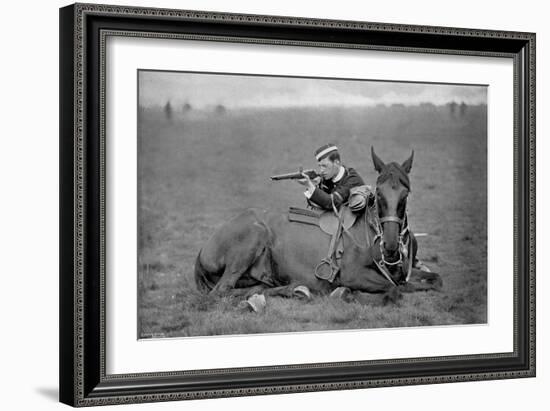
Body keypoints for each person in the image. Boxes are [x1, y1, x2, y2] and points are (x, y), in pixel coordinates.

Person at [297, 143, 366, 211]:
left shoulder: (352, 180)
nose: (321, 171)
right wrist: (317, 184)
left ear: (336, 162)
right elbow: (316, 203)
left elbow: (331, 203)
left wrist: (309, 186)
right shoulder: (329, 177)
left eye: (324, 166)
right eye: (320, 166)